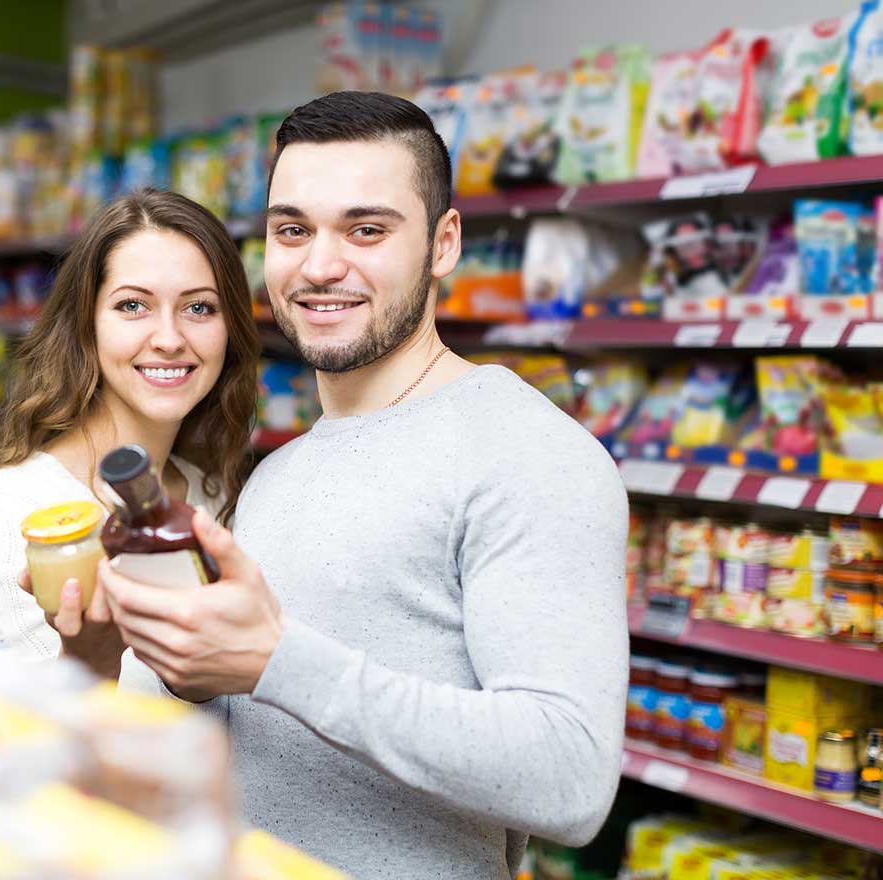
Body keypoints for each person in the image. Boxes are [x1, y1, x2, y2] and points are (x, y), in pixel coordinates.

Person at [95, 92, 629, 878]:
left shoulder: (526, 453)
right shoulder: (275, 476)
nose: (319, 266)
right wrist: (147, 650)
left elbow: (570, 776)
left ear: (444, 243)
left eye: (367, 229)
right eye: (292, 230)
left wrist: (275, 660)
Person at [0, 189, 259, 688]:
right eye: (133, 305)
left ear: (230, 330)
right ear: (86, 326)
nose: (170, 338)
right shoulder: (20, 519)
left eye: (199, 308)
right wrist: (89, 667)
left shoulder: (215, 498)